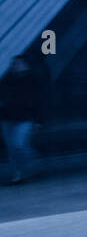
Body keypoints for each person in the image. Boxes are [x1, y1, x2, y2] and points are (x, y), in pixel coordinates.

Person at [1, 55, 47, 184]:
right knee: (12, 147)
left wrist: (38, 120)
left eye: (19, 63)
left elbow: (39, 102)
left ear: (26, 65)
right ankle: (19, 173)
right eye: (14, 64)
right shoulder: (6, 80)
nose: (16, 66)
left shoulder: (32, 80)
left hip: (25, 118)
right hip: (8, 117)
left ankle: (26, 168)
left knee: (18, 145)